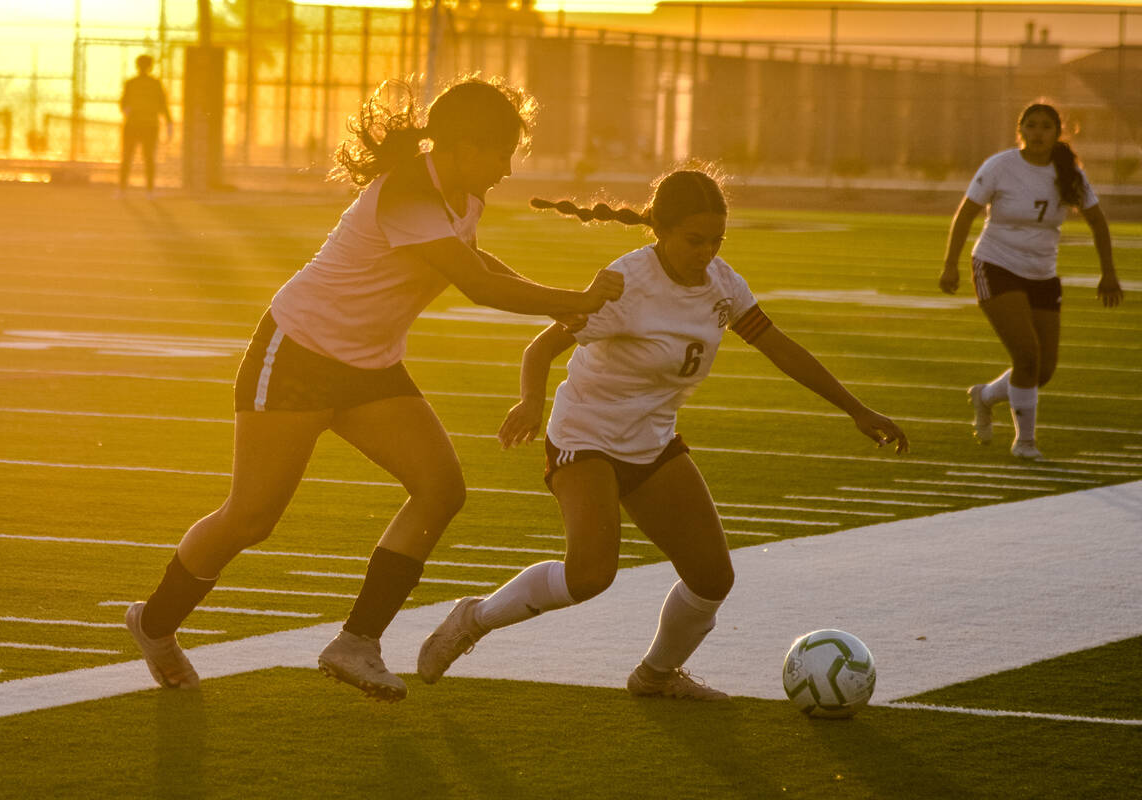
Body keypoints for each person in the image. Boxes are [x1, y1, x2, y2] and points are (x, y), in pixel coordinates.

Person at [124, 77, 624, 701]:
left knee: (441, 489)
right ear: (465, 147)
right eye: (501, 153)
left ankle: (357, 642)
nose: (507, 168)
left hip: (368, 367)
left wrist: (564, 302)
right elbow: (479, 287)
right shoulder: (409, 193)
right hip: (297, 354)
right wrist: (573, 301)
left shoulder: (460, 195)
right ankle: (155, 623)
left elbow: (476, 263)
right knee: (250, 518)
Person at [416, 169, 909, 700]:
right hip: (586, 439)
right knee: (590, 577)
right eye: (695, 240)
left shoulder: (724, 283)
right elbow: (540, 349)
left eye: (717, 240)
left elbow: (778, 345)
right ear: (660, 231)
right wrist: (531, 402)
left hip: (653, 442)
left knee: (712, 579)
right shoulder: (627, 283)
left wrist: (857, 410)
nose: (707, 253)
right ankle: (475, 618)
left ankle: (656, 676)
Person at [940, 102, 1122, 461]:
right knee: (1026, 356)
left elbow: (1098, 222)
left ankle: (986, 396)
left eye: (1046, 127)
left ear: (1058, 133)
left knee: (1043, 369)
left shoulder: (1069, 172)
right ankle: (1025, 443)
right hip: (996, 263)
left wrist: (1109, 272)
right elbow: (966, 214)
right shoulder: (1001, 165)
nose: (1038, 133)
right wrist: (951, 264)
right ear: (1020, 130)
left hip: (1042, 272)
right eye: (1032, 126)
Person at [119, 54, 173, 195]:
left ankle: (126, 189)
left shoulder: (135, 83)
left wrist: (169, 121)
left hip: (139, 125)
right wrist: (169, 122)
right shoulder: (150, 84)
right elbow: (163, 105)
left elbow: (123, 104)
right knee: (144, 157)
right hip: (145, 125)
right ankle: (146, 190)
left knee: (132, 157)